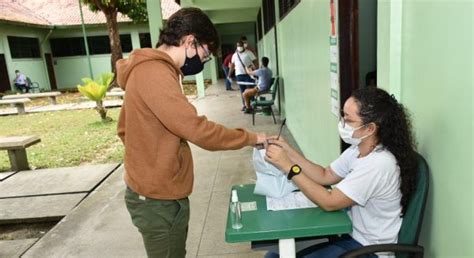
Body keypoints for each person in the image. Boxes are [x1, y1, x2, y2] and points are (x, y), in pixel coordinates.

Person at [116, 8, 266, 258]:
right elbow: (198, 130)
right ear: (189, 41)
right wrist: (252, 137)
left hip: (157, 191)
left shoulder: (155, 71)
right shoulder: (154, 73)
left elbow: (124, 128)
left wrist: (154, 153)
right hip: (157, 198)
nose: (204, 61)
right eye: (205, 53)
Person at [264, 87, 418, 258]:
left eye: (349, 120)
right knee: (274, 256)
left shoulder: (379, 163)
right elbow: (325, 174)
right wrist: (288, 150)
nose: (342, 123)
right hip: (348, 235)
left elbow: (329, 202)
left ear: (370, 129)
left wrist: (289, 168)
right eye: (343, 116)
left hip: (368, 250)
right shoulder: (358, 148)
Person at [228, 40, 257, 111]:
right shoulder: (234, 55)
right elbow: (232, 65)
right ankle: (245, 105)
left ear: (243, 46)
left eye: (240, 45)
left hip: (249, 75)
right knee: (242, 91)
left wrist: (256, 71)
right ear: (236, 47)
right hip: (239, 75)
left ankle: (253, 104)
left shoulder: (249, 53)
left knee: (250, 90)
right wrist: (229, 75)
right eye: (238, 46)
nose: (239, 47)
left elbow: (255, 62)